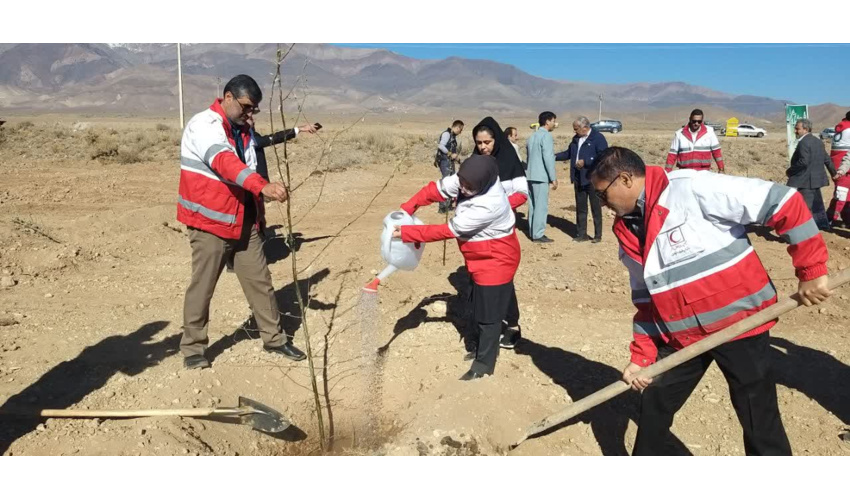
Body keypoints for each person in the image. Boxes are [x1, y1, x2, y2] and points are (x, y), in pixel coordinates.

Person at [589, 146, 831, 456]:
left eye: (602, 195)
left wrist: (811, 269)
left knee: (758, 420)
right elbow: (645, 299)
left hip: (740, 325)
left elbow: (783, 201)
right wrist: (642, 355)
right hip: (683, 337)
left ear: (624, 180)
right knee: (654, 405)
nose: (603, 205)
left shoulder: (692, 188)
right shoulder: (625, 230)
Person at [177, 74, 307, 369]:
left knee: (260, 282)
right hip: (210, 223)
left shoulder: (243, 130)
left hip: (245, 222)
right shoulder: (204, 125)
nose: (249, 114)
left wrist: (262, 191)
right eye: (246, 107)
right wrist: (262, 186)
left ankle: (274, 339)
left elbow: (250, 165)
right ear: (227, 98)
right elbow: (224, 161)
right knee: (203, 286)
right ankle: (193, 348)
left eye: (254, 110)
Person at [393, 155, 521, 380]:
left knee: (487, 315)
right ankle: (503, 329)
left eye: (469, 186)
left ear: (483, 184)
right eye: (462, 182)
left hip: (496, 258)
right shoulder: (468, 179)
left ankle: (484, 364)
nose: (463, 188)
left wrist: (406, 233)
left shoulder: (489, 205)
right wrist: (407, 210)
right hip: (478, 255)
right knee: (485, 300)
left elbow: (447, 231)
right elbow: (434, 191)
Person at [470, 117, 528, 349]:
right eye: (479, 142)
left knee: (503, 280)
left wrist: (499, 206)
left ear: (497, 140)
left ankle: (512, 325)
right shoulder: (474, 163)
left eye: (487, 142)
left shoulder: (509, 161)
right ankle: (483, 330)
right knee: (477, 280)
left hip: (502, 233)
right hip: (478, 233)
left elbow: (523, 193)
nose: (483, 147)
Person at [555, 116, 609, 243]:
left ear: (585, 127)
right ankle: (581, 234)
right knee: (581, 207)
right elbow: (569, 153)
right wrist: (553, 156)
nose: (574, 131)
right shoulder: (576, 139)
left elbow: (604, 157)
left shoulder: (598, 138)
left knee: (595, 207)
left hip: (593, 178)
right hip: (579, 177)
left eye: (576, 129)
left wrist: (587, 162)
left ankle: (597, 235)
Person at [787, 118, 836, 230]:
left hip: (805, 180)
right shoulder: (818, 141)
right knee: (814, 206)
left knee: (805, 207)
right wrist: (833, 173)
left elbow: (803, 162)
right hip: (815, 180)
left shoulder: (804, 142)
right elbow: (826, 159)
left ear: (805, 129)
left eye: (797, 128)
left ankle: (804, 231)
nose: (795, 131)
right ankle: (819, 226)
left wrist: (790, 171)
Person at [245, 115, 318, 181]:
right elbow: (274, 138)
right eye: (250, 119)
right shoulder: (247, 138)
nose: (254, 121)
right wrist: (299, 129)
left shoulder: (252, 134)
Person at [525, 111, 558, 243]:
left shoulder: (532, 136)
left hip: (531, 174)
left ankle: (532, 230)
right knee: (541, 206)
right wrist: (553, 177)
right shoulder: (546, 137)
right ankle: (538, 234)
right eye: (553, 121)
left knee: (533, 204)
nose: (555, 123)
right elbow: (548, 157)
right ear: (548, 121)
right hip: (541, 176)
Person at [435, 120, 464, 214]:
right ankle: (442, 207)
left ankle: (448, 205)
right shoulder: (447, 134)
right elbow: (441, 146)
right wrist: (450, 154)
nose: (461, 132)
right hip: (444, 161)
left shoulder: (452, 136)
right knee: (445, 182)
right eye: (461, 129)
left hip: (449, 161)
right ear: (457, 127)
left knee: (451, 181)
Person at [826, 111, 850, 226]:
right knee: (841, 195)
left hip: (837, 165)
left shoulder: (842, 128)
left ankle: (846, 219)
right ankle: (830, 219)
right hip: (845, 167)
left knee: (844, 195)